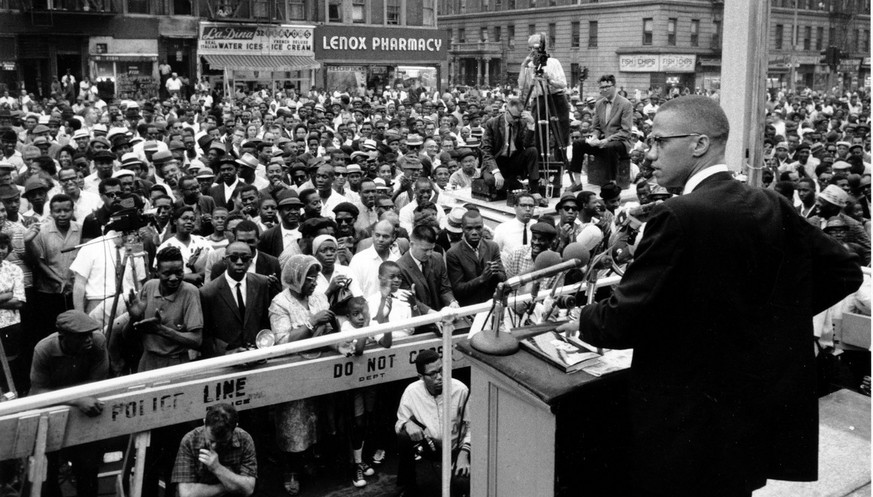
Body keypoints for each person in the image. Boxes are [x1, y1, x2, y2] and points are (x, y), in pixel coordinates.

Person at [557, 96, 863, 497]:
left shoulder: (677, 215)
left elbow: (622, 321)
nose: (648, 155)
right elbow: (844, 272)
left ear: (699, 144)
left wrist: (582, 319)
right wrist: (771, 320)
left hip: (685, 421)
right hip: (749, 415)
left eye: (658, 141)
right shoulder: (770, 203)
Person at [267, 254, 334, 496]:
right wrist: (311, 323)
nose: (315, 282)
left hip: (319, 364)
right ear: (295, 278)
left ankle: (309, 460)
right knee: (292, 421)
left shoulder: (318, 296)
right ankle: (290, 470)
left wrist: (319, 327)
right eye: (309, 277)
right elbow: (283, 340)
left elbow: (328, 326)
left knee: (315, 418)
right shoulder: (280, 303)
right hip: (292, 369)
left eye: (316, 276)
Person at [30, 310, 108, 497]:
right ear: (63, 337)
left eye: (90, 334)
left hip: (85, 412)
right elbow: (37, 392)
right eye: (82, 337)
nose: (89, 339)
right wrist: (75, 400)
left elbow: (98, 384)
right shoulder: (44, 349)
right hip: (51, 410)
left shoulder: (98, 342)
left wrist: (81, 401)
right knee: (49, 470)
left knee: (88, 468)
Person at [395, 349, 470, 496]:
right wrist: (407, 424)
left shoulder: (460, 390)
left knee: (461, 482)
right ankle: (408, 487)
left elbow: (473, 427)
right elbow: (400, 420)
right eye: (433, 374)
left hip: (456, 449)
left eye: (442, 370)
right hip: (430, 447)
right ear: (421, 377)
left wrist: (464, 454)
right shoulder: (411, 391)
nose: (440, 377)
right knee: (404, 436)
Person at [199, 242, 273, 357]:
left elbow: (265, 321)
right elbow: (206, 335)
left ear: (250, 261)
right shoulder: (208, 292)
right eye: (233, 258)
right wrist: (227, 353)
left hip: (258, 355)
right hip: (227, 360)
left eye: (244, 258)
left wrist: (263, 348)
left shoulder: (261, 283)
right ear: (224, 260)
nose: (239, 262)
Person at [171, 403, 257, 497]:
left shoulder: (244, 440)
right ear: (204, 422)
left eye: (222, 442)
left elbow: (248, 489)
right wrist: (230, 486)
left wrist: (217, 468)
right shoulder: (190, 441)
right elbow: (187, 494)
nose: (214, 446)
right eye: (211, 441)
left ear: (235, 427)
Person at [518, 32, 570, 170]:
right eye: (529, 49)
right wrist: (524, 66)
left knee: (560, 133)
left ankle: (561, 165)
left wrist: (549, 80)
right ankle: (540, 165)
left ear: (542, 48)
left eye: (534, 48)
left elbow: (563, 84)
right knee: (538, 132)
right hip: (539, 99)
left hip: (556, 99)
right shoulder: (529, 65)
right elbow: (522, 86)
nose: (532, 52)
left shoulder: (554, 62)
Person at [570, 74, 633, 187]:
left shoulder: (625, 104)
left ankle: (612, 183)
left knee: (610, 146)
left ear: (614, 86)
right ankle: (577, 181)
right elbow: (597, 127)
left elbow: (625, 131)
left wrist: (606, 140)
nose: (604, 90)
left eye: (607, 87)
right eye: (602, 87)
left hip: (621, 143)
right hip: (603, 141)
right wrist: (594, 136)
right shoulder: (599, 104)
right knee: (578, 144)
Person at [396, 225, 458, 329]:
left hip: (442, 320)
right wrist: (433, 314)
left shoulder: (437, 258)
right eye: (425, 250)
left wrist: (452, 302)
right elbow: (410, 300)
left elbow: (445, 288)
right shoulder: (400, 268)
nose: (429, 253)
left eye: (432, 249)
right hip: (418, 324)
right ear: (411, 244)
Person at [446, 211, 506, 306]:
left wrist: (495, 273)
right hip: (469, 307)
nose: (474, 232)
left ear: (483, 227)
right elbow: (458, 289)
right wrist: (482, 278)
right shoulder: (453, 253)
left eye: (478, 228)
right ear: (462, 229)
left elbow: (503, 278)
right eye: (469, 228)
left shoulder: (492, 247)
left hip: (491, 304)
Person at [480, 95, 538, 192]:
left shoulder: (522, 122)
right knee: (491, 181)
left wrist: (531, 125)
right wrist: (496, 172)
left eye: (519, 117)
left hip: (512, 161)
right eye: (515, 117)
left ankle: (534, 189)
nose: (516, 120)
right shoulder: (492, 123)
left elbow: (528, 145)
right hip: (497, 161)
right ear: (507, 111)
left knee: (533, 151)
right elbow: (486, 150)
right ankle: (512, 182)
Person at [349, 220, 401, 298]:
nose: (380, 239)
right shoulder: (359, 260)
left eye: (385, 236)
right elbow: (353, 291)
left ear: (393, 237)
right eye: (377, 235)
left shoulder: (397, 261)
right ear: (372, 234)